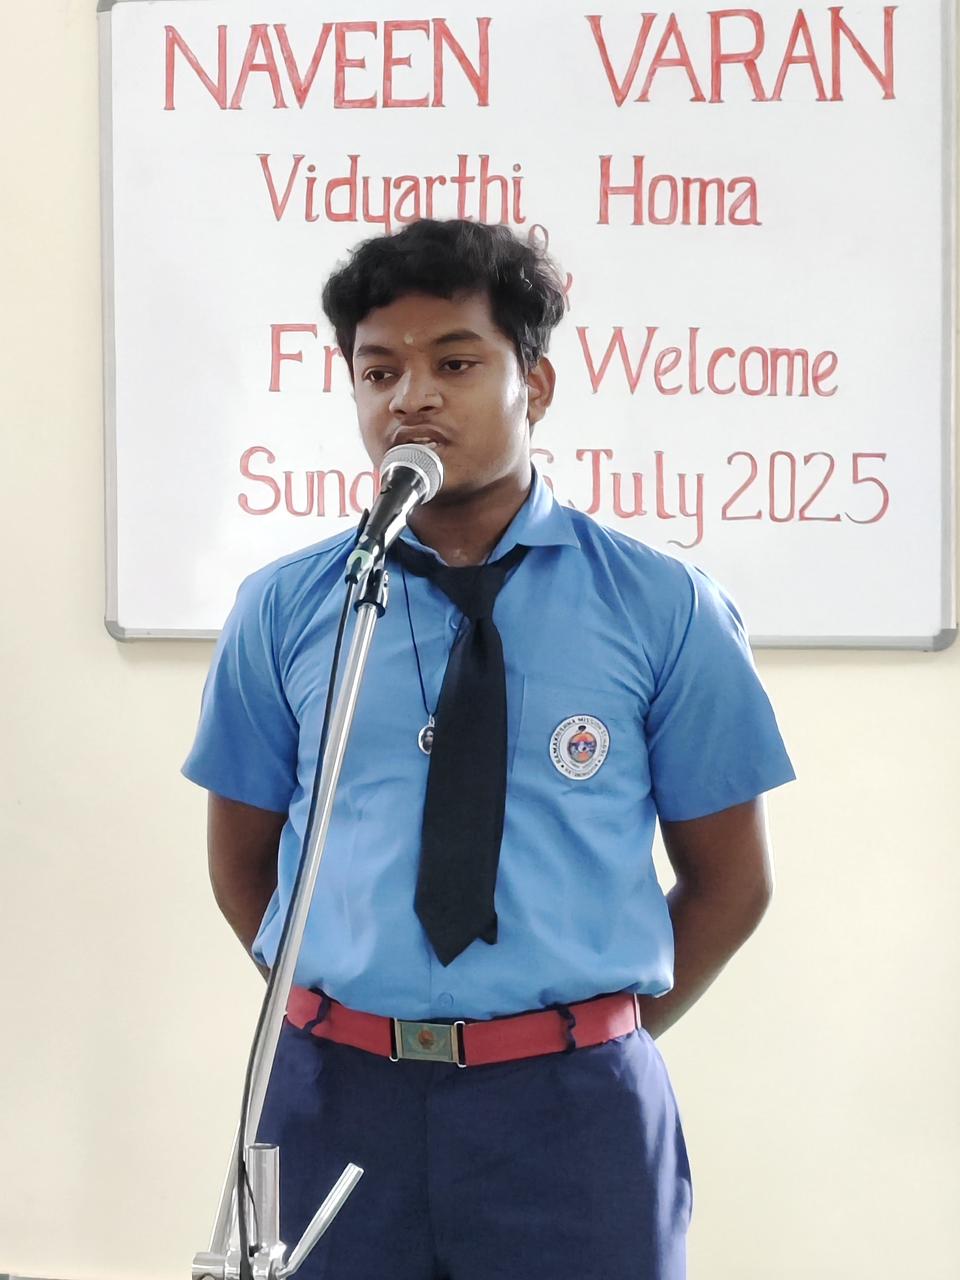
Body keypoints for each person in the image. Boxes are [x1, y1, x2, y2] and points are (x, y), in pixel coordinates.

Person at [183, 218, 795, 1280]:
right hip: (335, 1096)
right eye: (380, 371)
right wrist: (347, 1008)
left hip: (572, 1111)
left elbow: (731, 882)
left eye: (456, 363)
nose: (411, 398)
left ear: (536, 386)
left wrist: (581, 1034)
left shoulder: (663, 607)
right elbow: (245, 864)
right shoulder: (287, 608)